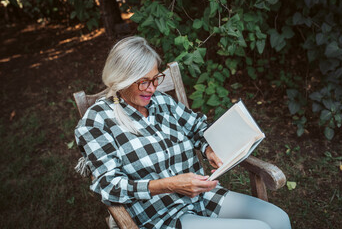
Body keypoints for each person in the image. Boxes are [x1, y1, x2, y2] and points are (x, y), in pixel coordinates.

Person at [74, 36, 291, 229]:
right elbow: (108, 186)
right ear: (121, 80)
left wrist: (208, 149)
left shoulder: (160, 101)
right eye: (143, 82)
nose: (152, 88)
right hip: (161, 215)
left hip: (201, 196)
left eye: (155, 78)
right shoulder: (98, 121)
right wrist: (170, 184)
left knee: (278, 219)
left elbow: (197, 127)